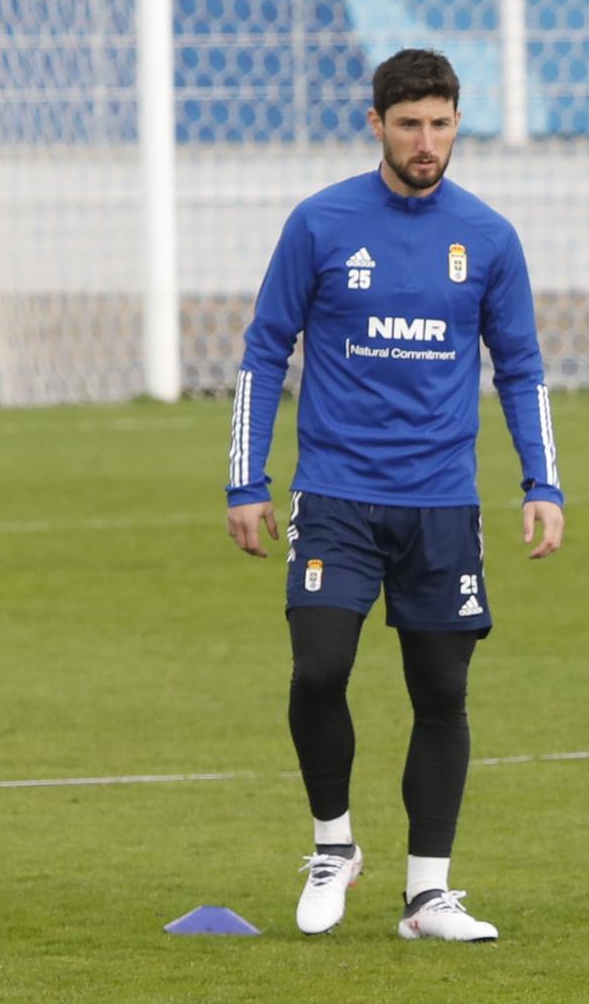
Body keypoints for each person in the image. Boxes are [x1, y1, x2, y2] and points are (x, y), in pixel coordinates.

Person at [226, 48, 564, 942]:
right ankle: (333, 845)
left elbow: (521, 366)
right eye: (409, 124)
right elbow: (266, 351)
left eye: (441, 123)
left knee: (441, 692)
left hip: (443, 504)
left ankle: (427, 896)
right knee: (319, 669)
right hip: (336, 493)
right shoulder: (321, 224)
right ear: (375, 123)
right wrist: (246, 479)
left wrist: (543, 480)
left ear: (459, 122)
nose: (427, 141)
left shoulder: (487, 237)